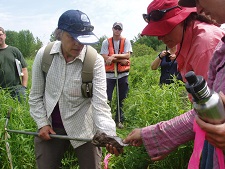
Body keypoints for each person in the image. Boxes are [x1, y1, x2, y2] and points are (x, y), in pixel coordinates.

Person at [107, 0, 225, 167]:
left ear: (182, 20)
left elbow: (210, 113)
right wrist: (150, 135)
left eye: (164, 29)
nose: (160, 36)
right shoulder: (186, 43)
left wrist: (154, 135)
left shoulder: (205, 44)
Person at [29, 10, 120, 169]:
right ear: (60, 34)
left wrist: (109, 135)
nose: (78, 44)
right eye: (72, 37)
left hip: (84, 128)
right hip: (51, 129)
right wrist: (42, 123)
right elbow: (35, 95)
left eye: (83, 39)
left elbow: (100, 104)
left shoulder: (94, 61)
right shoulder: (44, 55)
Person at [100, 22, 132, 128]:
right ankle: (106, 120)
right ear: (112, 29)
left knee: (121, 98)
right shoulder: (106, 42)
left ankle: (119, 120)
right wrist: (120, 59)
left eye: (119, 28)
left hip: (123, 75)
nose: (117, 30)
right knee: (107, 98)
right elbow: (104, 56)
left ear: (121, 30)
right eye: (115, 28)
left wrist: (113, 56)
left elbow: (127, 55)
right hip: (109, 75)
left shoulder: (126, 41)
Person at [0, 27, 28, 102]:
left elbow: (24, 68)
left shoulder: (14, 50)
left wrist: (24, 87)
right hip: (1, 92)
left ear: (4, 35)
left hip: (17, 89)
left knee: (21, 111)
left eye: (0, 35)